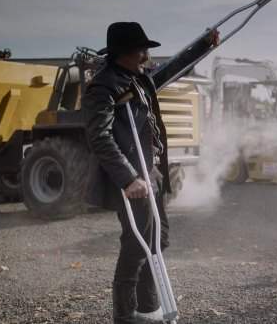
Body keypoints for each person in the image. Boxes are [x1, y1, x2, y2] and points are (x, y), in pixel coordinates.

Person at [82, 22, 217, 323]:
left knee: (158, 237)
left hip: (149, 170)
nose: (146, 54)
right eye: (141, 48)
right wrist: (128, 178)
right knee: (136, 243)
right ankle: (125, 315)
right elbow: (99, 137)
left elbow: (172, 69)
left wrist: (204, 46)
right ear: (125, 52)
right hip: (130, 175)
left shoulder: (137, 77)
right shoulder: (103, 86)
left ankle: (148, 308)